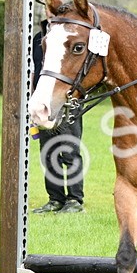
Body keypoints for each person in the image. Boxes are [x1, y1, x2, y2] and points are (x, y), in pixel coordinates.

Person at [30, 18, 85, 213]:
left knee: (70, 152)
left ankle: (75, 201)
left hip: (69, 102)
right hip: (45, 103)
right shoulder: (38, 40)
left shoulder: (69, 39)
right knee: (48, 153)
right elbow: (35, 72)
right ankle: (55, 199)